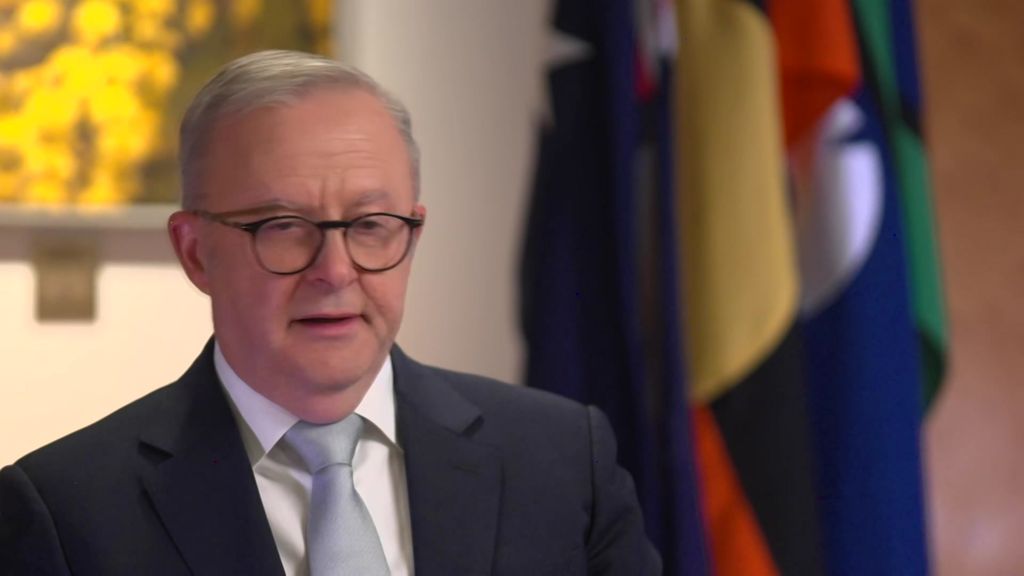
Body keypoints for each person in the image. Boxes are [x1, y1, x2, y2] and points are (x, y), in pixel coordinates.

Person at [0, 50, 660, 575]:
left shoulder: (563, 460)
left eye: (371, 224)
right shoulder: (65, 513)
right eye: (284, 226)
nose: (336, 271)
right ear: (196, 253)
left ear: (413, 235)